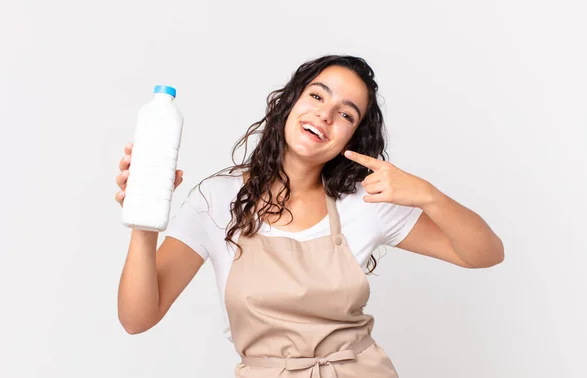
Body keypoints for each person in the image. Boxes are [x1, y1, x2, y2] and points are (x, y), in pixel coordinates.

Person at [115, 55, 504, 377]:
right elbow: (137, 319)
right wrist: (145, 220)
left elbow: (484, 253)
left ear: (352, 137)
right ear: (289, 102)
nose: (325, 115)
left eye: (346, 115)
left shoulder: (364, 201)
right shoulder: (218, 200)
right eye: (317, 96)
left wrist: (428, 196)